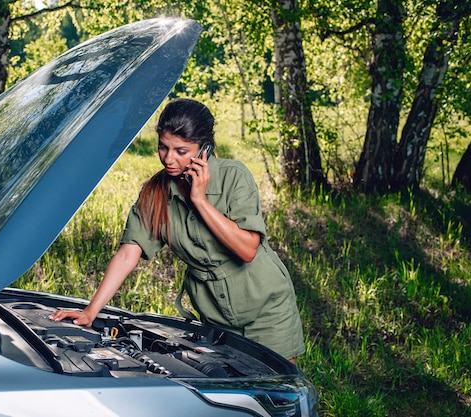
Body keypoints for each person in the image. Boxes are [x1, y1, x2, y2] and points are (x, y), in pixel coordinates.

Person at [50, 98, 305, 363]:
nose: (168, 159)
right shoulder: (154, 193)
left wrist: (200, 200)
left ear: (204, 149)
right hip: (214, 312)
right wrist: (90, 312)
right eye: (163, 147)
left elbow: (248, 249)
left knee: (277, 394)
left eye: (181, 151)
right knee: (229, 391)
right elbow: (128, 254)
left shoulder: (234, 176)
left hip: (266, 306)